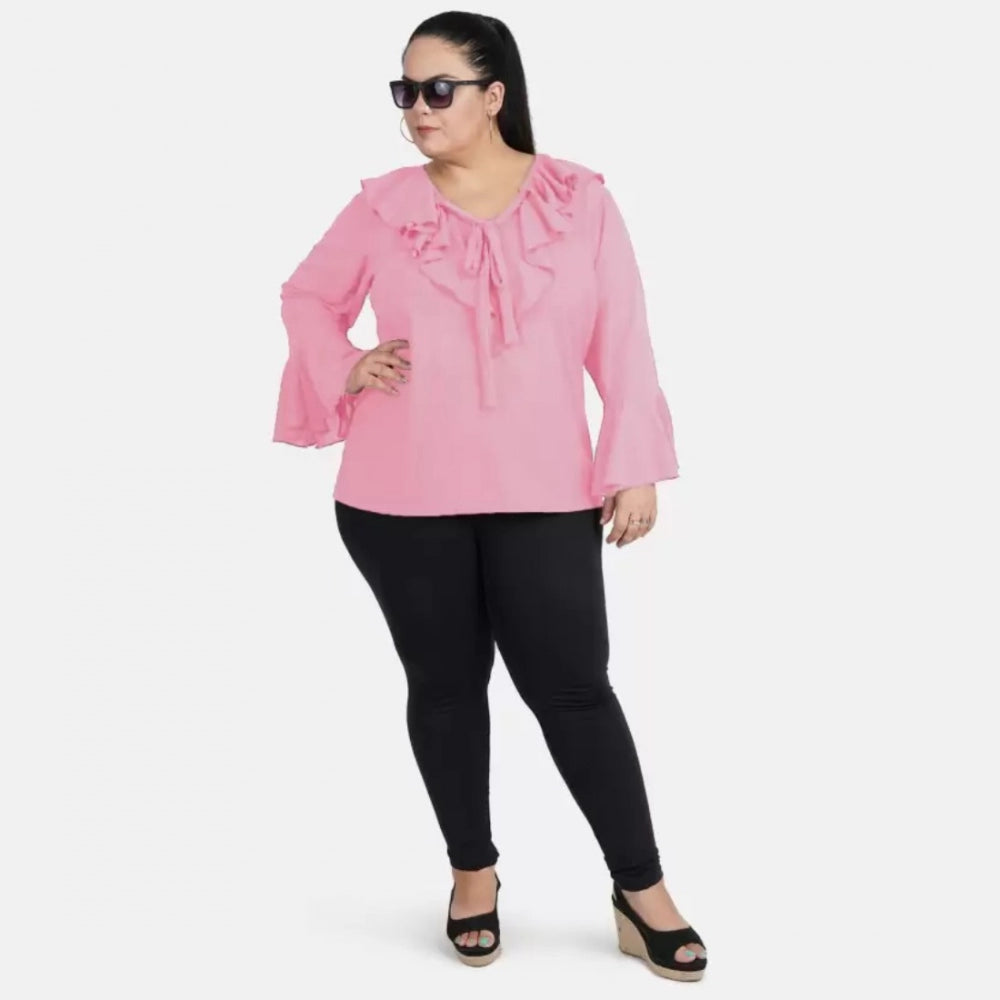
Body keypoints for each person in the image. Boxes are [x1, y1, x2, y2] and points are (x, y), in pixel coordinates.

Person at [271, 10, 707, 981]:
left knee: (574, 689)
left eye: (438, 89)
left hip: (544, 488)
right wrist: (344, 363)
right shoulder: (383, 206)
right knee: (444, 686)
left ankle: (641, 888)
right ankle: (472, 872)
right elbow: (305, 296)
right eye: (405, 91)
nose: (416, 109)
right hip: (397, 496)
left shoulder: (579, 200)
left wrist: (631, 463)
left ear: (494, 93)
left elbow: (624, 339)